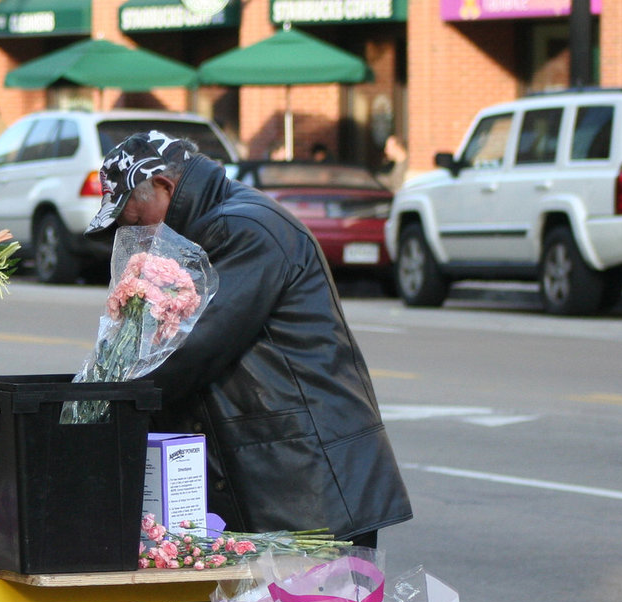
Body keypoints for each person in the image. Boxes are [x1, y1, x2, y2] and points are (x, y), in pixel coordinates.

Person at [84, 132, 411, 547]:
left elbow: (191, 348)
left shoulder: (242, 229)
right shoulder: (202, 231)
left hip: (309, 488)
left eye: (132, 220)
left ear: (165, 186)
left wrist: (100, 406)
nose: (133, 236)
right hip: (279, 480)